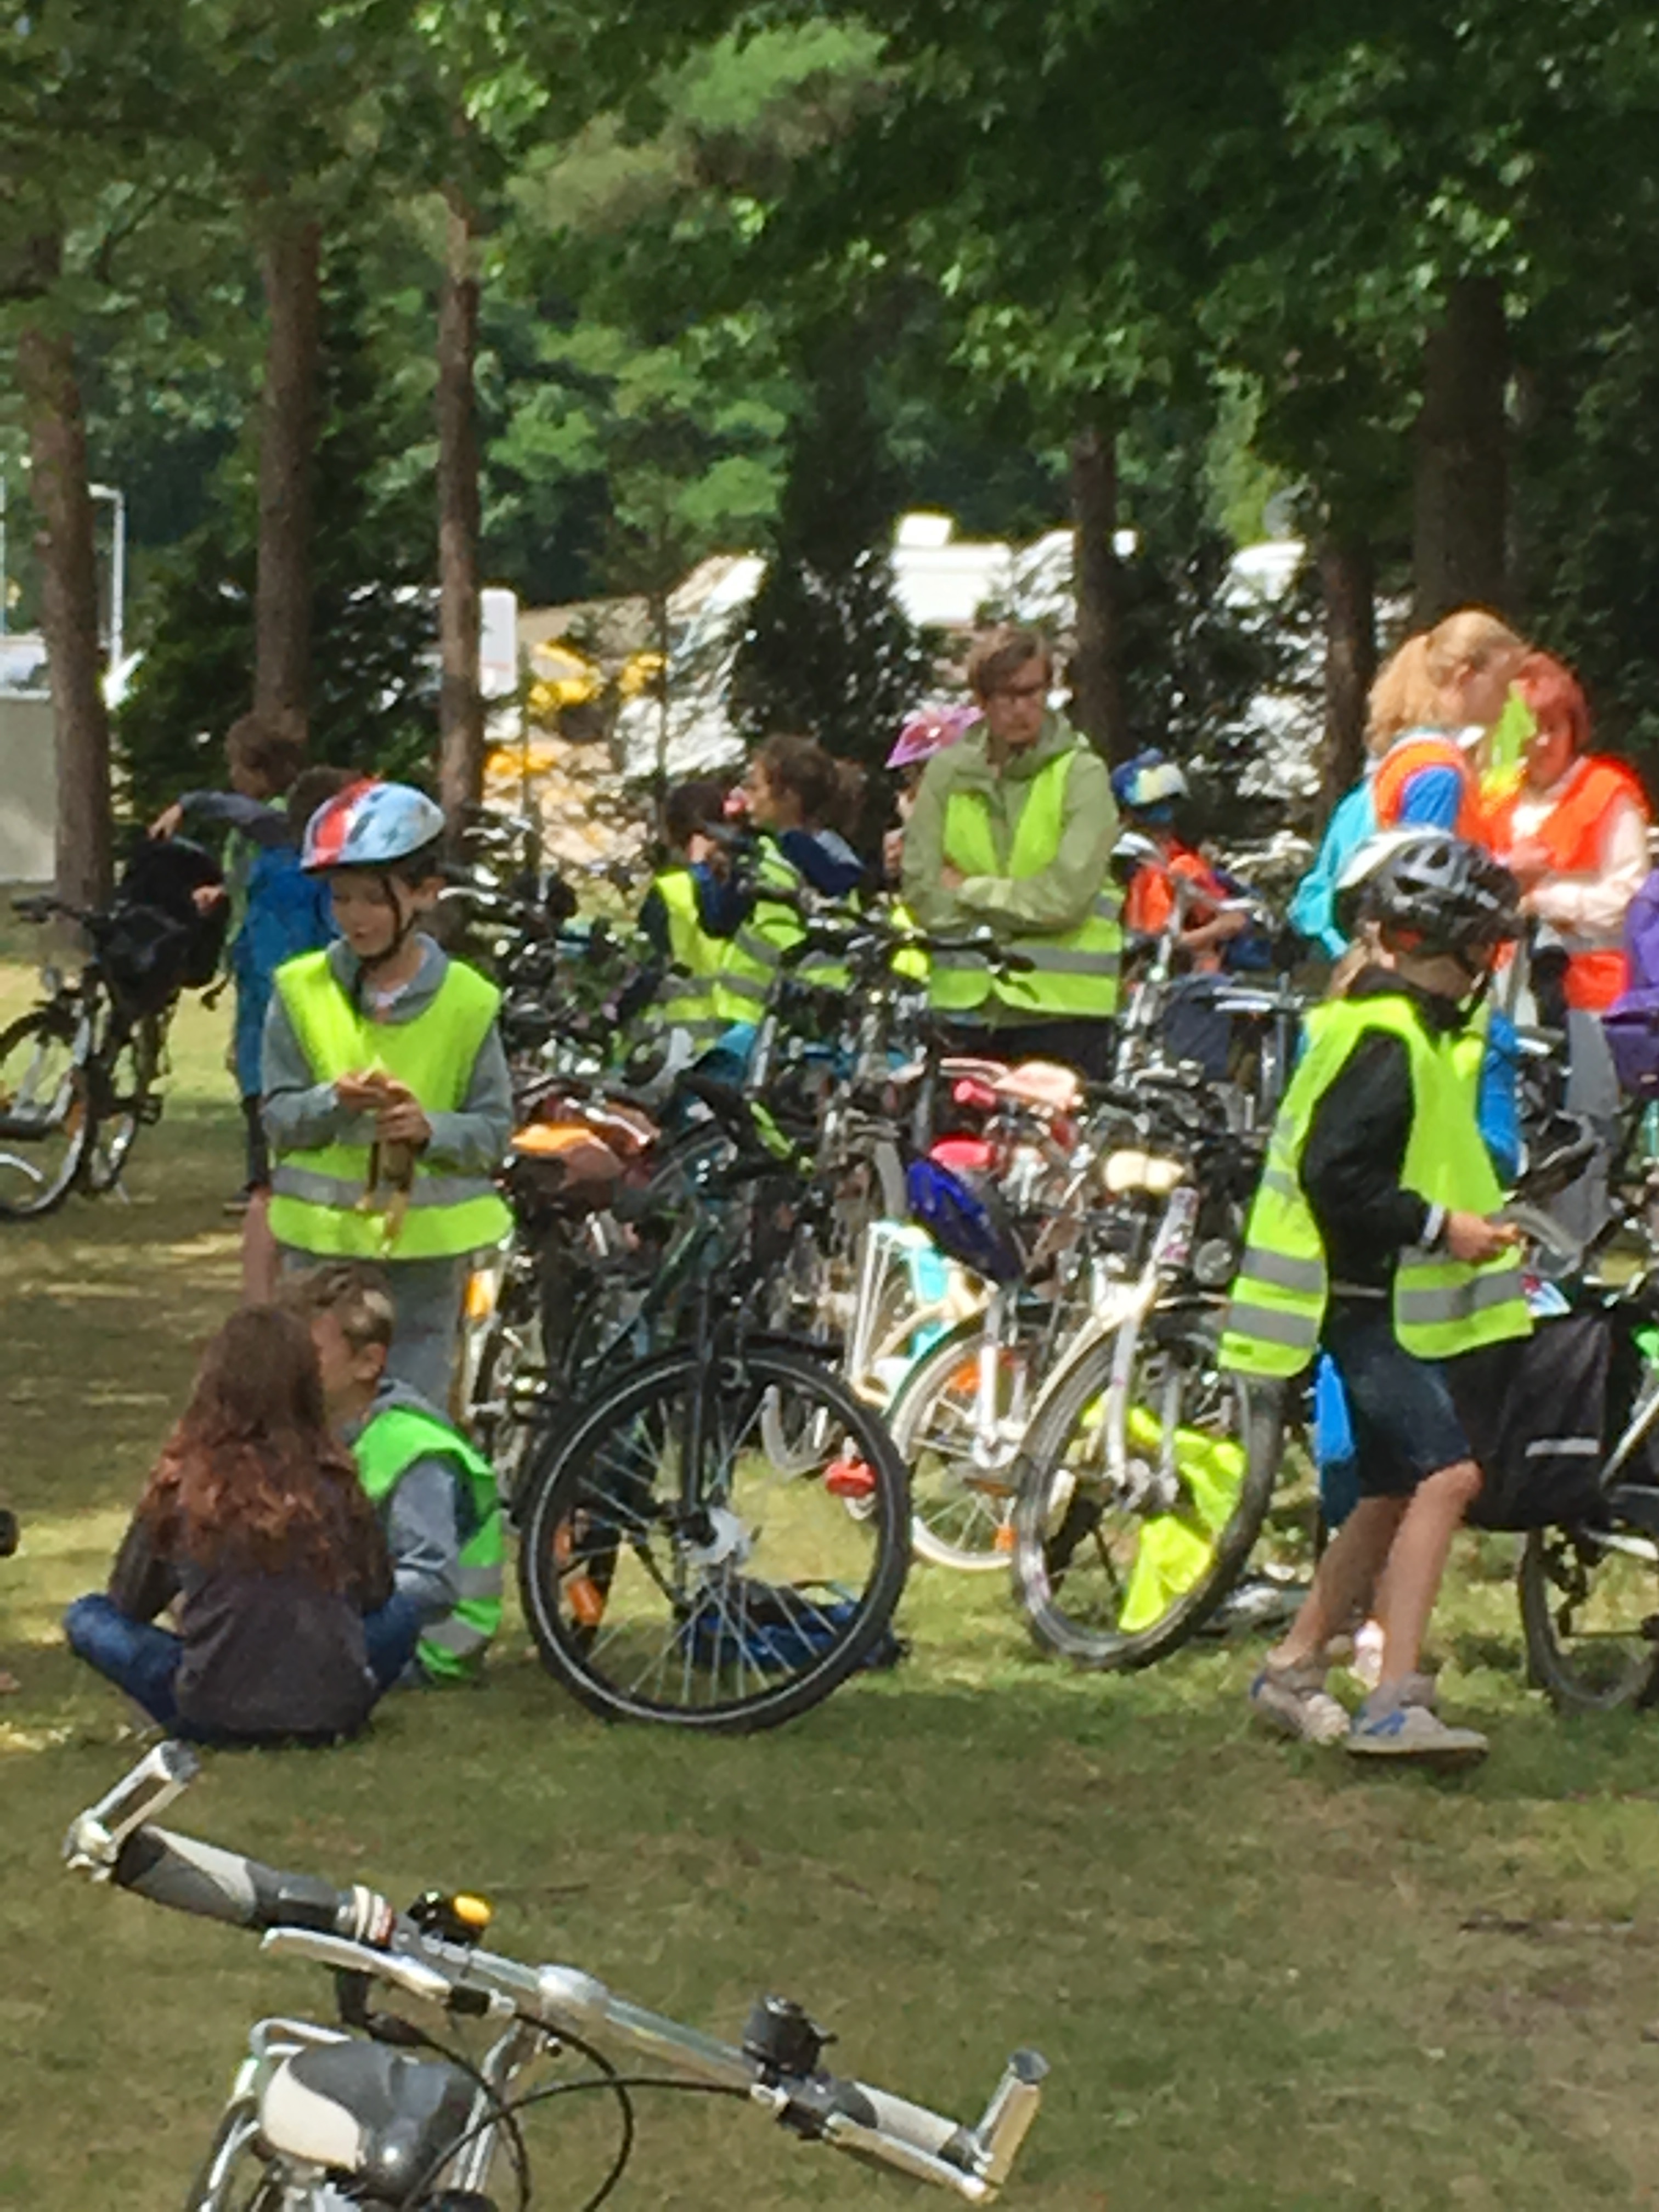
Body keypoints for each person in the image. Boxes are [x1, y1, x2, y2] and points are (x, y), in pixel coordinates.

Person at [1221, 834, 1533, 1765]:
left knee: (1393, 1487)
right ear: (1455, 947)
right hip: (1365, 1300)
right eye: (1484, 944)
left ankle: (1290, 1664)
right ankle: (1394, 1695)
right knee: (1448, 1475)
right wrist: (1445, 1227)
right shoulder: (1388, 1042)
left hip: (1368, 1298)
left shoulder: (1391, 1028)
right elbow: (1335, 1175)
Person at [262, 780, 513, 1408]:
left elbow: (492, 1132)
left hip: (423, 1267)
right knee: (312, 1421)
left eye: (374, 899)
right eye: (341, 898)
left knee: (410, 1424)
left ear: (425, 893)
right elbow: (279, 1119)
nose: (355, 917)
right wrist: (332, 1103)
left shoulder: (468, 1001)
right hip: (319, 1260)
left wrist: (431, 1129)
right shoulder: (300, 990)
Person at [61, 1307, 393, 1742]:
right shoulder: (333, 1476)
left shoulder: (186, 1480)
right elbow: (377, 1595)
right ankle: (319, 1687)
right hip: (333, 1711)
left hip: (211, 1712)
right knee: (403, 1614)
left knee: (87, 1617)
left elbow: (129, 1601)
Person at [900, 625, 1122, 1077]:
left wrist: (970, 889)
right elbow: (922, 894)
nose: (1022, 708)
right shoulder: (946, 774)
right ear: (981, 701)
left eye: (1033, 692)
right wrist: (1021, 906)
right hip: (965, 1011)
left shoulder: (1082, 775)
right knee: (944, 1149)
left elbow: (1066, 898)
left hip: (1062, 1014)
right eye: (1006, 695)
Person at [1486, 652, 1648, 1240]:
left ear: (1573, 726)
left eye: (1552, 729)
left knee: (1583, 1128)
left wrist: (1545, 902)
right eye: (1527, 732)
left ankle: (1578, 1253)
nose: (1539, 745)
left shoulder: (1608, 792)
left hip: (1591, 994)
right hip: (1507, 992)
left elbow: (1628, 896)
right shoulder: (1497, 799)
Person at [287, 1261, 504, 1683]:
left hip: (427, 1647)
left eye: (308, 1356)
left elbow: (430, 1582)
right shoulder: (327, 1431)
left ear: (368, 1362)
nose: (291, 1370)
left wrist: (322, 1608)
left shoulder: (413, 1448)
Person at [150, 709, 310, 1207]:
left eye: (238, 767)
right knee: (249, 1065)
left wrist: (190, 803)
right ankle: (260, 1175)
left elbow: (261, 827)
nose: (233, 779)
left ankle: (271, 1177)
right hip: (251, 956)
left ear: (260, 770)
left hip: (278, 960)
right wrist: (222, 893)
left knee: (270, 1067)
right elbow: (252, 875)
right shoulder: (258, 830)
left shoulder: (287, 815)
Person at [707, 735, 868, 1032]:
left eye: (755, 787)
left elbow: (718, 919)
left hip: (766, 1017)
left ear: (789, 796)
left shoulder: (773, 855)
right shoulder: (835, 854)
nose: (746, 796)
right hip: (803, 1012)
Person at [1367, 610, 1527, 839]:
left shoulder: (1411, 754)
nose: (1510, 698)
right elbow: (1426, 870)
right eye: (1503, 684)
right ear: (1465, 676)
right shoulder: (1439, 775)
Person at [1111, 751, 1248, 973]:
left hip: (1174, 981)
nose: (1164, 818)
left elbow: (1232, 920)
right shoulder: (1123, 860)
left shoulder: (1182, 864)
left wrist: (1195, 938)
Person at [634, 777, 732, 1056]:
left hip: (676, 1041)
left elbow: (643, 966)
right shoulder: (749, 884)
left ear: (670, 833)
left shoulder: (669, 890)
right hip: (741, 1038)